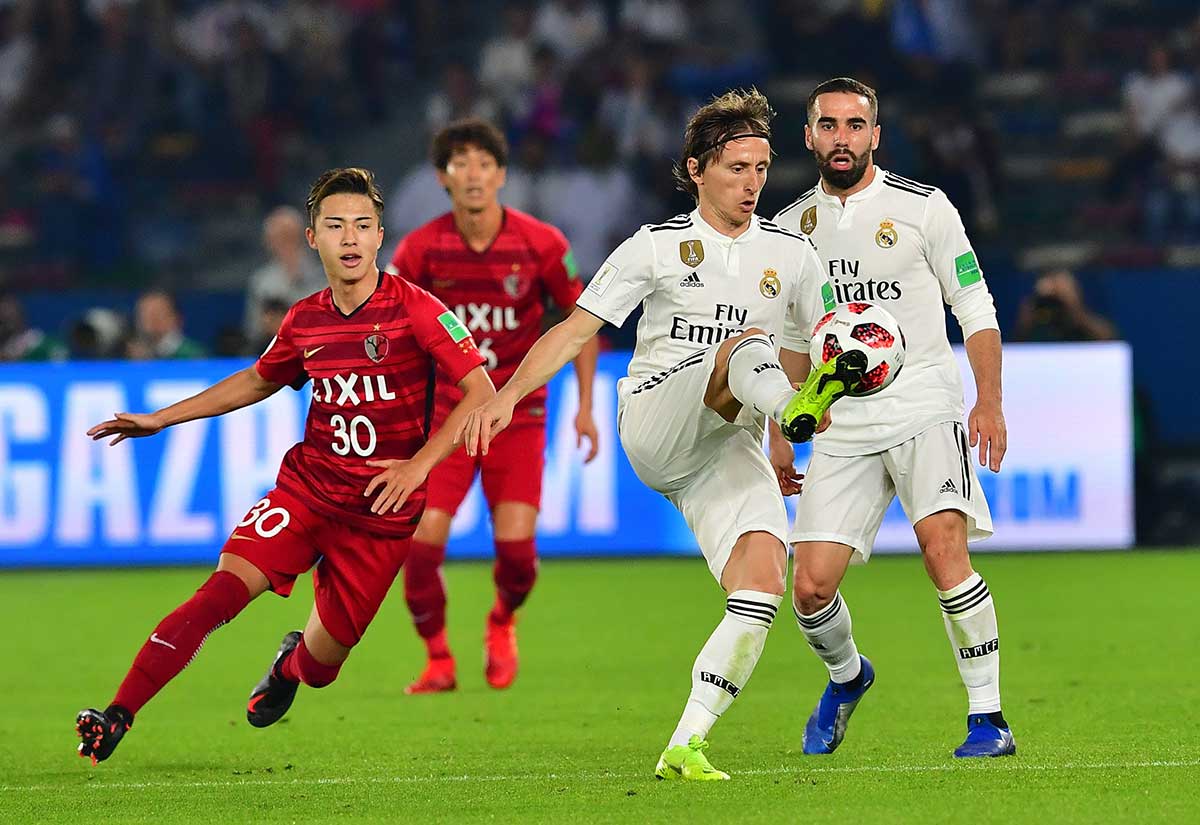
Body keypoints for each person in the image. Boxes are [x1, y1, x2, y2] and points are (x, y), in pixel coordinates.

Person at [460, 89, 854, 780]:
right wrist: (508, 394)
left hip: (727, 438)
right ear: (697, 170)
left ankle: (687, 741)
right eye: (736, 167)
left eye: (762, 167)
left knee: (761, 582)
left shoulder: (793, 253)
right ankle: (791, 407)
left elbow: (822, 340)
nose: (753, 182)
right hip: (655, 416)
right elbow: (575, 329)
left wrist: (800, 419)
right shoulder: (657, 246)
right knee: (744, 345)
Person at [74, 168, 494, 765]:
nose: (350, 238)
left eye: (362, 226)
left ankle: (289, 665)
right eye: (335, 226)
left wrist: (419, 466)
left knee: (322, 668)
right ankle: (116, 715)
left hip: (382, 513)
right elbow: (256, 380)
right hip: (307, 492)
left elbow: (480, 391)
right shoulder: (305, 320)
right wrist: (159, 419)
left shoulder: (419, 310)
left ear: (380, 237)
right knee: (219, 593)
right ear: (312, 238)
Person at [772, 77, 1013, 758]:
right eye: (829, 125)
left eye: (855, 125)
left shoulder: (923, 208)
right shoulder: (791, 229)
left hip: (923, 405)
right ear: (810, 136)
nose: (841, 137)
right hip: (839, 423)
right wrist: (779, 429)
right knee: (811, 588)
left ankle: (987, 717)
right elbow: (794, 340)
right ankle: (847, 677)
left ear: (875, 135)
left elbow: (976, 307)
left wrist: (987, 398)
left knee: (944, 548)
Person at [386, 118, 599, 693]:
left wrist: (584, 408)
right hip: (444, 420)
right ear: (443, 178)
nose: (473, 174)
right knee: (420, 545)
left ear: (501, 175)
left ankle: (501, 621)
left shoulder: (541, 243)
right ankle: (438, 660)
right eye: (461, 164)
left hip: (517, 417)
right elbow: (388, 327)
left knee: (518, 557)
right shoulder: (421, 249)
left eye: (484, 163)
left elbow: (582, 324)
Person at [244, 205, 327, 339]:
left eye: (289, 237)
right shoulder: (262, 282)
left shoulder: (327, 274)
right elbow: (254, 329)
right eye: (278, 238)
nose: (285, 245)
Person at [1015, 268, 1116, 342]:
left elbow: (1109, 340)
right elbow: (1016, 349)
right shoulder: (1036, 321)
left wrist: (1071, 302)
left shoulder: (1082, 324)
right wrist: (1034, 302)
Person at [125, 290, 207, 360]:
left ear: (175, 318)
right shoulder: (131, 354)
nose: (149, 320)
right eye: (144, 314)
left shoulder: (193, 355)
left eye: (156, 314)